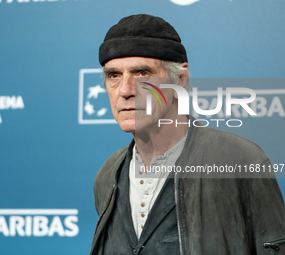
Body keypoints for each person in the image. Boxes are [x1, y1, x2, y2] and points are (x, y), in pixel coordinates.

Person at [90, 14, 285, 255]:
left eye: (142, 73)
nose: (125, 90)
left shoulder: (240, 161)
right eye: (113, 75)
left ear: (180, 79)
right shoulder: (108, 174)